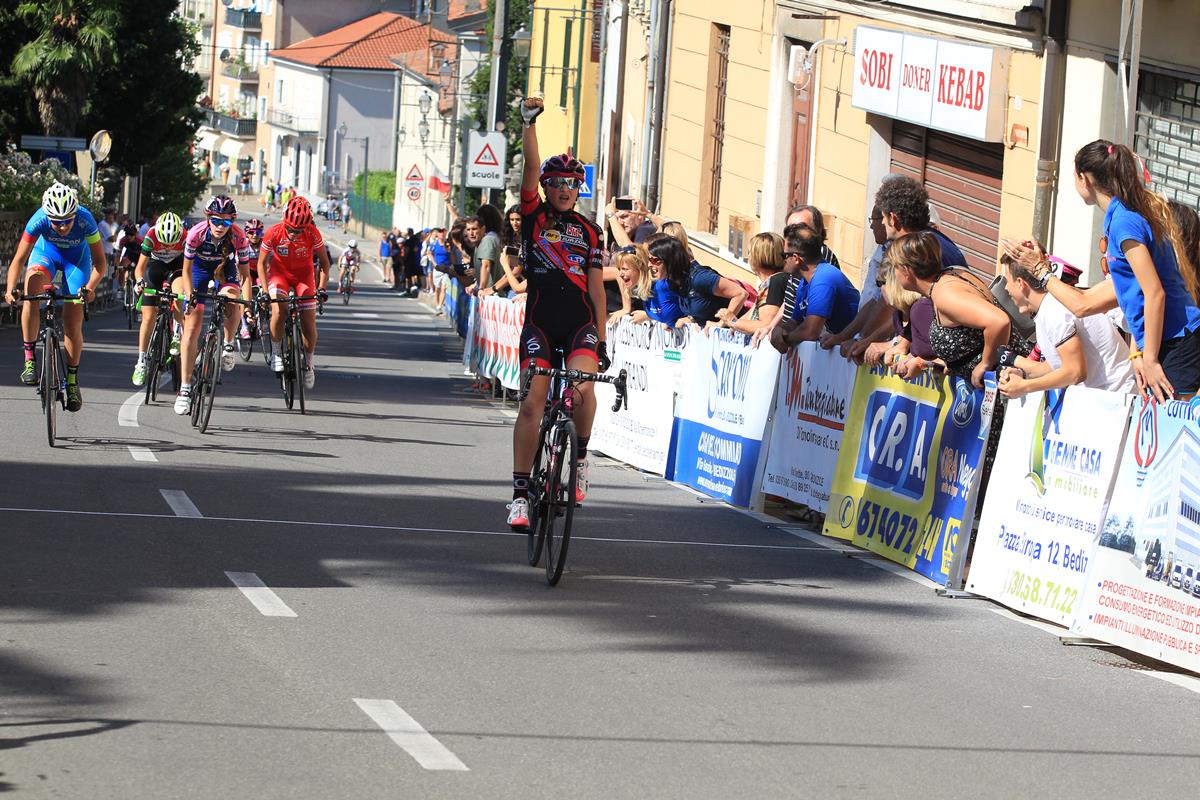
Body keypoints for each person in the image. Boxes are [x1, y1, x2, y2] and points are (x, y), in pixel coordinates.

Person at [1014, 141, 1200, 400]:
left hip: (1177, 341)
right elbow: (1130, 300)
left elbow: (1154, 293)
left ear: (1084, 178)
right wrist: (1138, 352)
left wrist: (1150, 359)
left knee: (1178, 432)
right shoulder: (1121, 216)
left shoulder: (1124, 222)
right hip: (1166, 343)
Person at [506, 94, 607, 531]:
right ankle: (520, 495)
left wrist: (601, 339)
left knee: (584, 388)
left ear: (579, 187)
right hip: (541, 322)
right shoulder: (533, 216)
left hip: (580, 320)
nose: (564, 189)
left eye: (572, 183)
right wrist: (529, 124)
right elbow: (530, 167)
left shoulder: (591, 230)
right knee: (532, 403)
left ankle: (580, 457)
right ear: (547, 188)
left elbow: (598, 288)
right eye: (556, 183)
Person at [4, 182, 106, 410]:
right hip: (46, 255)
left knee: (72, 322)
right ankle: (29, 359)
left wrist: (90, 287)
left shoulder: (85, 219)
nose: (62, 227)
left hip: (76, 261)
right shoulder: (38, 219)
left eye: (67, 221)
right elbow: (19, 260)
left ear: (74, 214)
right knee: (31, 286)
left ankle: (71, 381)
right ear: (48, 216)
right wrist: (11, 289)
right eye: (56, 222)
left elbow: (100, 263)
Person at [890, 231, 1024, 388]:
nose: (895, 273)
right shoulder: (951, 275)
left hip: (1005, 383)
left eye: (895, 267)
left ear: (907, 270)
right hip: (999, 381)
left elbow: (999, 321)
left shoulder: (945, 295)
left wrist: (985, 364)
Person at [998, 252, 1134, 398]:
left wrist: (1025, 387)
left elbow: (1075, 372)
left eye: (1007, 281)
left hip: (1116, 398)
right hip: (1106, 398)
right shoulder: (1047, 308)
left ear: (1020, 283)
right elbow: (1056, 365)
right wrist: (1023, 374)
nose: (1005, 288)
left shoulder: (1053, 310)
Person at [174, 195, 253, 415]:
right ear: (208, 218)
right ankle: (185, 389)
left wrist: (247, 306)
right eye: (216, 220)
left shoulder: (239, 237)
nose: (220, 226)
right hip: (198, 272)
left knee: (232, 297)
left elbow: (246, 277)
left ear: (232, 222)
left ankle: (228, 343)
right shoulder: (196, 234)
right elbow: (186, 271)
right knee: (191, 329)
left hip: (224, 270)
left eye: (226, 222)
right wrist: (189, 295)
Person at [259, 196, 330, 390]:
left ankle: (308, 363)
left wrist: (322, 288)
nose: (293, 233)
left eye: (298, 231)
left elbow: (324, 263)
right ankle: (276, 352)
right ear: (284, 221)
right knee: (279, 310)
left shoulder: (312, 234)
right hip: (279, 275)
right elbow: (261, 263)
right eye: (290, 229)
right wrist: (265, 291)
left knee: (309, 322)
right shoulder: (273, 232)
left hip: (303, 278)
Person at [770, 223, 860, 350]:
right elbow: (795, 321)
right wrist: (780, 329)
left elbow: (811, 332)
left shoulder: (823, 280)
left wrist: (786, 339)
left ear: (796, 258)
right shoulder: (805, 282)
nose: (783, 260)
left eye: (784, 255)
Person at [131, 212, 187, 387]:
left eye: (172, 243)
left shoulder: (185, 236)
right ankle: (141, 362)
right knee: (148, 316)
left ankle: (176, 334)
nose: (169, 247)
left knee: (179, 292)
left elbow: (189, 268)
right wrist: (139, 282)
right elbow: (139, 268)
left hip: (177, 267)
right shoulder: (151, 236)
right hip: (155, 268)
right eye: (165, 243)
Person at [728, 232, 787, 336]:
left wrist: (731, 321)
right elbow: (751, 315)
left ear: (758, 257)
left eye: (750, 253)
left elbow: (765, 324)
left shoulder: (775, 282)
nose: (749, 257)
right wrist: (728, 323)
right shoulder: (774, 280)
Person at [606, 244, 653, 324]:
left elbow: (672, 312)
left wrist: (648, 316)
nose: (620, 274)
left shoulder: (657, 287)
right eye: (619, 269)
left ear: (639, 267)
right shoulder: (636, 288)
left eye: (625, 269)